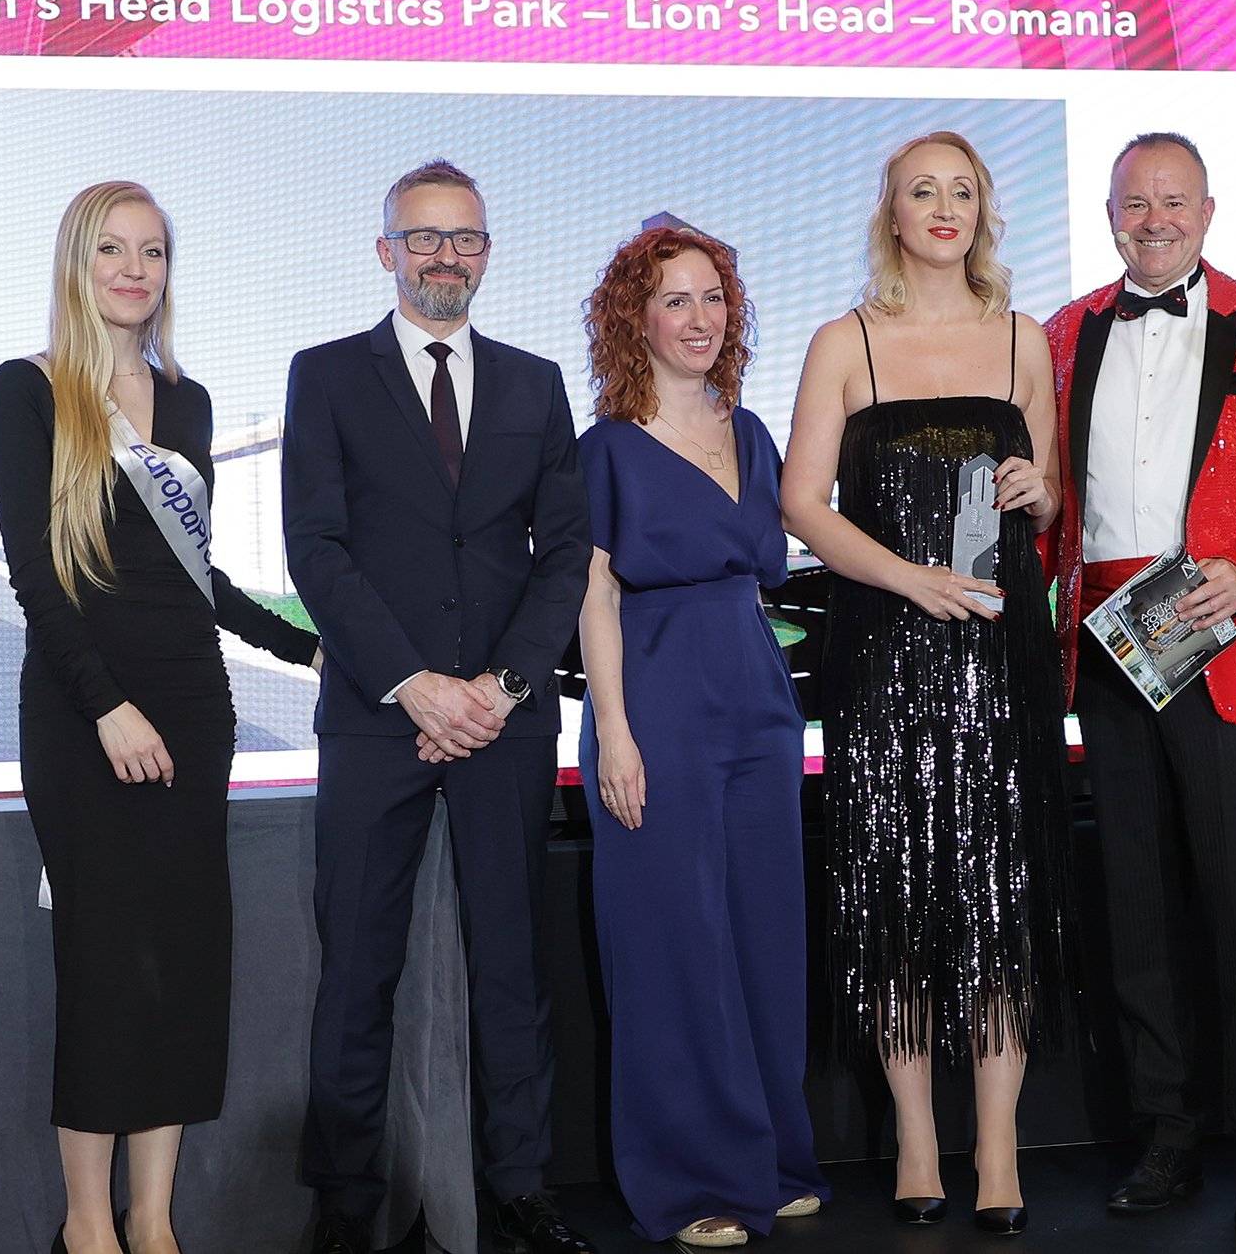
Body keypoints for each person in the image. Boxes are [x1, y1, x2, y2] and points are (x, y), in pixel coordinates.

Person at [0, 181, 322, 1254]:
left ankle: (154, 1218)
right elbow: (36, 575)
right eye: (113, 249)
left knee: (180, 961)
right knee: (104, 967)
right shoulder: (29, 389)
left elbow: (195, 577)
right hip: (85, 714)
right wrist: (107, 707)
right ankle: (88, 1226)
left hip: (191, 707)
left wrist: (308, 647)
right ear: (76, 263)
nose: (136, 269)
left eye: (155, 251)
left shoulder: (189, 403)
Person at [282, 160, 594, 1254]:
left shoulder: (536, 384)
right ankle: (344, 1201)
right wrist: (414, 683)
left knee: (512, 965)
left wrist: (502, 688)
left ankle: (521, 1187)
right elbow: (316, 549)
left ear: (487, 253)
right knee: (357, 972)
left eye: (464, 238)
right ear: (387, 251)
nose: (444, 255)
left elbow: (565, 553)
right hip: (379, 717)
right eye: (423, 237)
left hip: (505, 720)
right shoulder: (325, 375)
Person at [1040, 133, 1236, 1233]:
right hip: (1105, 640)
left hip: (1219, 634)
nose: (1155, 220)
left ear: (1208, 212)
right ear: (1110, 216)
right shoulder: (1062, 332)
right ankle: (1165, 1135)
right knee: (1136, 906)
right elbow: (1046, 497)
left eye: (1174, 202)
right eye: (1136, 203)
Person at [780, 130, 1071, 1235]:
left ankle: (996, 1144)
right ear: (892, 213)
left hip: (1000, 659)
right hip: (885, 654)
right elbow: (801, 502)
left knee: (1001, 893)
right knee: (893, 888)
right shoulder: (843, 340)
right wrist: (911, 580)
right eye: (922, 191)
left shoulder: (1024, 340)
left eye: (962, 191)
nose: (944, 207)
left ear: (983, 211)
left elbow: (1049, 499)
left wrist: (1039, 491)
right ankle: (913, 1137)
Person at [575, 227, 830, 1249]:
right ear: (634, 319)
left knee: (764, 934)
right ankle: (692, 1184)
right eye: (674, 299)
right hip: (657, 702)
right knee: (673, 944)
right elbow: (593, 596)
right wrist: (616, 734)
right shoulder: (603, 446)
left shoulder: (754, 432)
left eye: (713, 297)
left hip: (757, 701)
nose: (698, 318)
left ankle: (771, 1161)